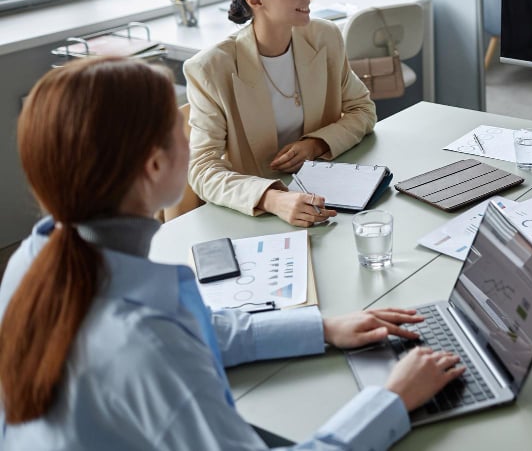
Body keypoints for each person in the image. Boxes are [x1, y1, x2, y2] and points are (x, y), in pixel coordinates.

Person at [0, 57, 464, 450]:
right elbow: (164, 345)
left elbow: (196, 328)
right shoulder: (146, 345)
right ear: (155, 164)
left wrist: (322, 328)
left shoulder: (34, 259)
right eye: (179, 126)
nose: (190, 134)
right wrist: (392, 399)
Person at [184, 0, 376, 227]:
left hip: (327, 197)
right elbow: (201, 169)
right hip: (257, 213)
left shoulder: (325, 37)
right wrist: (272, 198)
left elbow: (363, 110)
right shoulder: (210, 69)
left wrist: (315, 144)